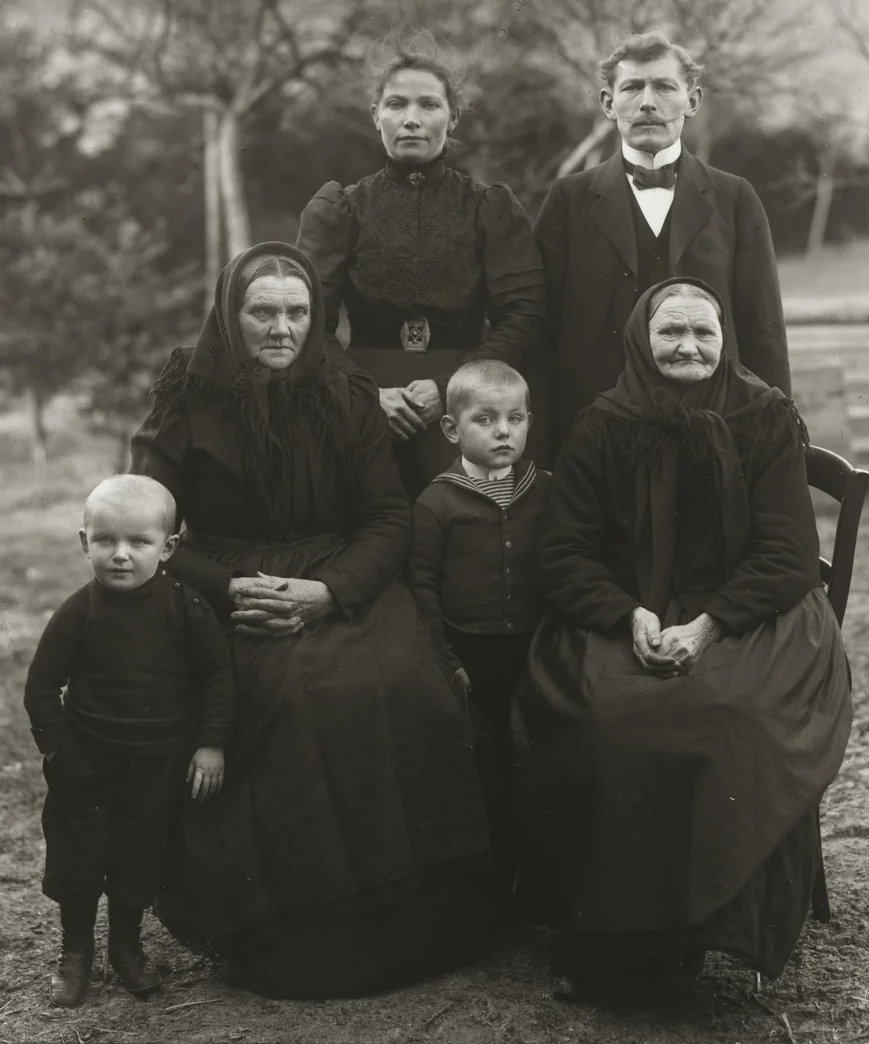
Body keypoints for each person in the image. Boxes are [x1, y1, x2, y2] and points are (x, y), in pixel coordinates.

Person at [129, 240, 492, 999]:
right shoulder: (186, 389)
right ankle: (298, 939)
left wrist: (331, 593)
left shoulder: (344, 389)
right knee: (290, 697)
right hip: (231, 584)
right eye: (262, 311)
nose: (281, 328)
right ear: (231, 316)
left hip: (340, 576)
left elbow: (388, 517)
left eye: (297, 312)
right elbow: (148, 522)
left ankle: (417, 927)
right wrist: (231, 589)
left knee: (399, 683)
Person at [514, 277, 852, 990]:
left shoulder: (762, 416)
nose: (687, 346)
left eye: (703, 332)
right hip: (627, 610)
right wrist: (625, 614)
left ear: (725, 340)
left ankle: (718, 925)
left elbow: (788, 554)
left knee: (729, 713)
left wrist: (707, 624)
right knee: (606, 713)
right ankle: (624, 943)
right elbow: (564, 550)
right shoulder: (602, 423)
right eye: (671, 332)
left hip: (751, 614)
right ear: (641, 338)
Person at [295, 34, 548, 497]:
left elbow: (525, 316)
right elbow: (310, 324)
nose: (411, 119)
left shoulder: (489, 208)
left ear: (452, 118)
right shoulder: (340, 209)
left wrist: (451, 388)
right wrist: (366, 395)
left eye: (429, 105)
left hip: (466, 403)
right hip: (361, 400)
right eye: (396, 104)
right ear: (376, 116)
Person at [23, 475, 233, 1008]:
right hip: (86, 762)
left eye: (138, 543)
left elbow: (216, 679)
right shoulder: (79, 611)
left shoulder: (187, 609)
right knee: (78, 859)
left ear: (168, 548)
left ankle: (125, 948)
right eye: (105, 541)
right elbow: (43, 684)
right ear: (83, 542)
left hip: (158, 763)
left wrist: (210, 744)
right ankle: (76, 954)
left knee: (140, 857)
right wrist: (56, 749)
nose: (120, 556)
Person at [536, 31, 792, 455]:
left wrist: (777, 441)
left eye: (664, 87)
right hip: (595, 435)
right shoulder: (568, 199)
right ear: (607, 102)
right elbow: (542, 331)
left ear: (692, 101)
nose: (648, 102)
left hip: (714, 434)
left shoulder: (735, 198)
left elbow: (763, 331)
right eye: (633, 87)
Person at [409, 360, 550, 893]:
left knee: (534, 757)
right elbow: (422, 587)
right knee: (478, 766)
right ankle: (484, 886)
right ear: (452, 429)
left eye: (516, 419)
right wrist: (448, 661)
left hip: (532, 653)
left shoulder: (544, 491)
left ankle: (533, 881)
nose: (503, 432)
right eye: (486, 420)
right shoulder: (436, 503)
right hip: (470, 656)